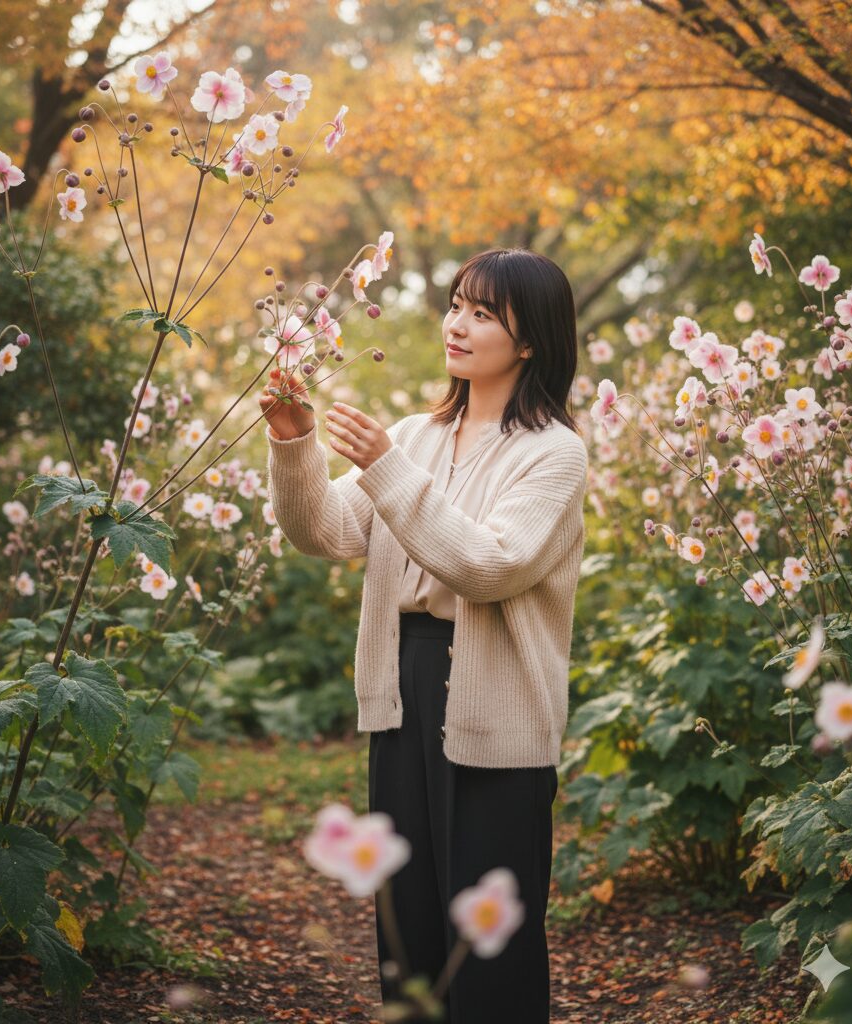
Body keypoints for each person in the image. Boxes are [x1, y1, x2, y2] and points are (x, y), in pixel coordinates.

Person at [259, 248, 588, 1023]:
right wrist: (295, 440)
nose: (458, 325)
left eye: (482, 313)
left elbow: (488, 566)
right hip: (403, 687)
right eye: (456, 305)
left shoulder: (554, 454)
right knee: (407, 927)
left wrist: (386, 466)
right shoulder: (418, 435)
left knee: (489, 936)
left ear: (531, 339)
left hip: (496, 702)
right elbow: (326, 531)